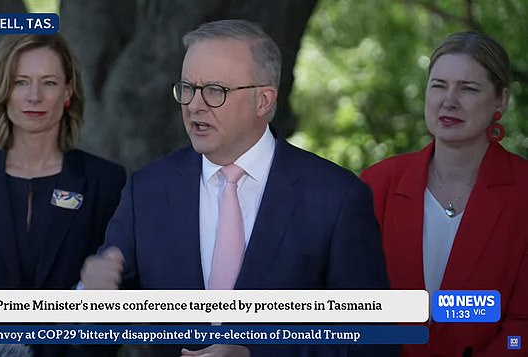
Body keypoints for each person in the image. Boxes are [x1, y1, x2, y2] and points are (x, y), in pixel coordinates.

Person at [81, 19, 395, 356]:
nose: (194, 105)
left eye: (215, 91)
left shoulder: (336, 198)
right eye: (187, 88)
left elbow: (372, 341)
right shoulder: (146, 191)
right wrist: (91, 297)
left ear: (263, 101)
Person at [0, 34, 126, 357]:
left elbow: (119, 295)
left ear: (67, 92)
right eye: (21, 82)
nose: (34, 96)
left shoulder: (105, 182)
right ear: (4, 90)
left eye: (48, 83)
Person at [361, 31, 528, 356]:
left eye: (468, 88)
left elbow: (522, 328)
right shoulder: (377, 184)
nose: (448, 100)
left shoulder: (524, 192)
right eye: (439, 85)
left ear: (501, 100)